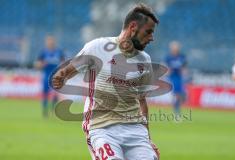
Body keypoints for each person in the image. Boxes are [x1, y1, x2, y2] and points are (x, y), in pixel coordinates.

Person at [52, 3, 160, 160]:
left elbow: (142, 101)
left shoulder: (145, 60)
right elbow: (67, 71)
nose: (152, 38)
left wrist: (148, 139)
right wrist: (60, 76)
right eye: (148, 32)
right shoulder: (97, 47)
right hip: (102, 128)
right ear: (133, 27)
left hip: (135, 130)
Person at [35, 36, 65, 118]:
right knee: (45, 93)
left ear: (54, 42)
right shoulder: (43, 52)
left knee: (55, 93)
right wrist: (41, 64)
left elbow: (64, 63)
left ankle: (52, 110)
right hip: (46, 76)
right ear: (46, 42)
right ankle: (45, 111)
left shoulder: (59, 52)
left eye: (52, 41)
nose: (50, 42)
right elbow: (37, 64)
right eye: (49, 41)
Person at [165, 41, 187, 116]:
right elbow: (167, 68)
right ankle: (176, 109)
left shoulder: (182, 57)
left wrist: (184, 73)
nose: (175, 49)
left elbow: (184, 68)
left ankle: (177, 108)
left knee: (180, 94)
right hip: (172, 77)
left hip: (179, 77)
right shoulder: (169, 57)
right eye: (173, 47)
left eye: (176, 47)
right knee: (176, 94)